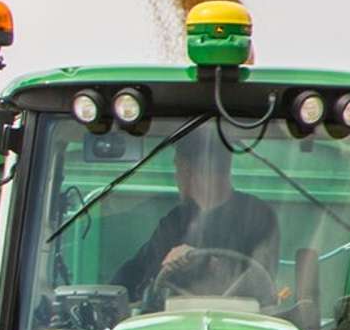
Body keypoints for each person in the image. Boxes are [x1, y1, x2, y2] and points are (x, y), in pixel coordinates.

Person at [108, 123, 279, 306]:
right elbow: (138, 274)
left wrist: (202, 262)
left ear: (189, 170)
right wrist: (109, 299)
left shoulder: (256, 216)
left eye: (177, 168)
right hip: (174, 327)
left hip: (239, 326)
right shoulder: (174, 222)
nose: (177, 177)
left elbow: (260, 279)